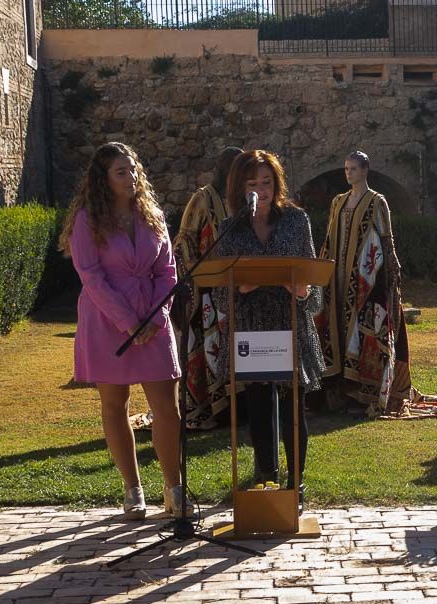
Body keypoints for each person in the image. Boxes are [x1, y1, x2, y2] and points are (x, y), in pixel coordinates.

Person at [58, 141, 184, 520]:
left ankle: (174, 488)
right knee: (115, 405)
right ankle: (133, 490)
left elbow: (168, 271)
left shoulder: (152, 215)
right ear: (103, 179)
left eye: (132, 169)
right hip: (106, 318)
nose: (130, 178)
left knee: (166, 407)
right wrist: (129, 320)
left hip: (154, 317)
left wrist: (157, 316)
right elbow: (90, 275)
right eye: (120, 172)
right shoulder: (87, 218)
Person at [213, 150, 324, 500]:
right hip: (252, 327)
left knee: (294, 407)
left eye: (267, 182)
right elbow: (218, 294)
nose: (261, 190)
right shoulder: (228, 229)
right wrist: (238, 289)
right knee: (258, 406)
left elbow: (313, 279)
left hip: (290, 323)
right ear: (238, 188)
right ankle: (266, 477)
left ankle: (296, 483)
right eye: (252, 183)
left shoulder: (296, 220)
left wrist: (304, 290)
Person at [314, 151, 414, 416]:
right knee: (336, 330)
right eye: (346, 169)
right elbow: (329, 236)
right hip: (337, 281)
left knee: (364, 331)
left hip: (365, 283)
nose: (348, 173)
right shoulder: (338, 202)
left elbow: (385, 238)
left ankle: (364, 392)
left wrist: (391, 275)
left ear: (365, 170)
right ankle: (337, 389)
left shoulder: (377, 202)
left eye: (353, 169)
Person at [170, 145, 243, 431]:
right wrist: (197, 274)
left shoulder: (239, 199)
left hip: (234, 288)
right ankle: (206, 407)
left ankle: (233, 407)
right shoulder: (203, 198)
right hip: (207, 289)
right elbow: (184, 239)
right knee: (208, 347)